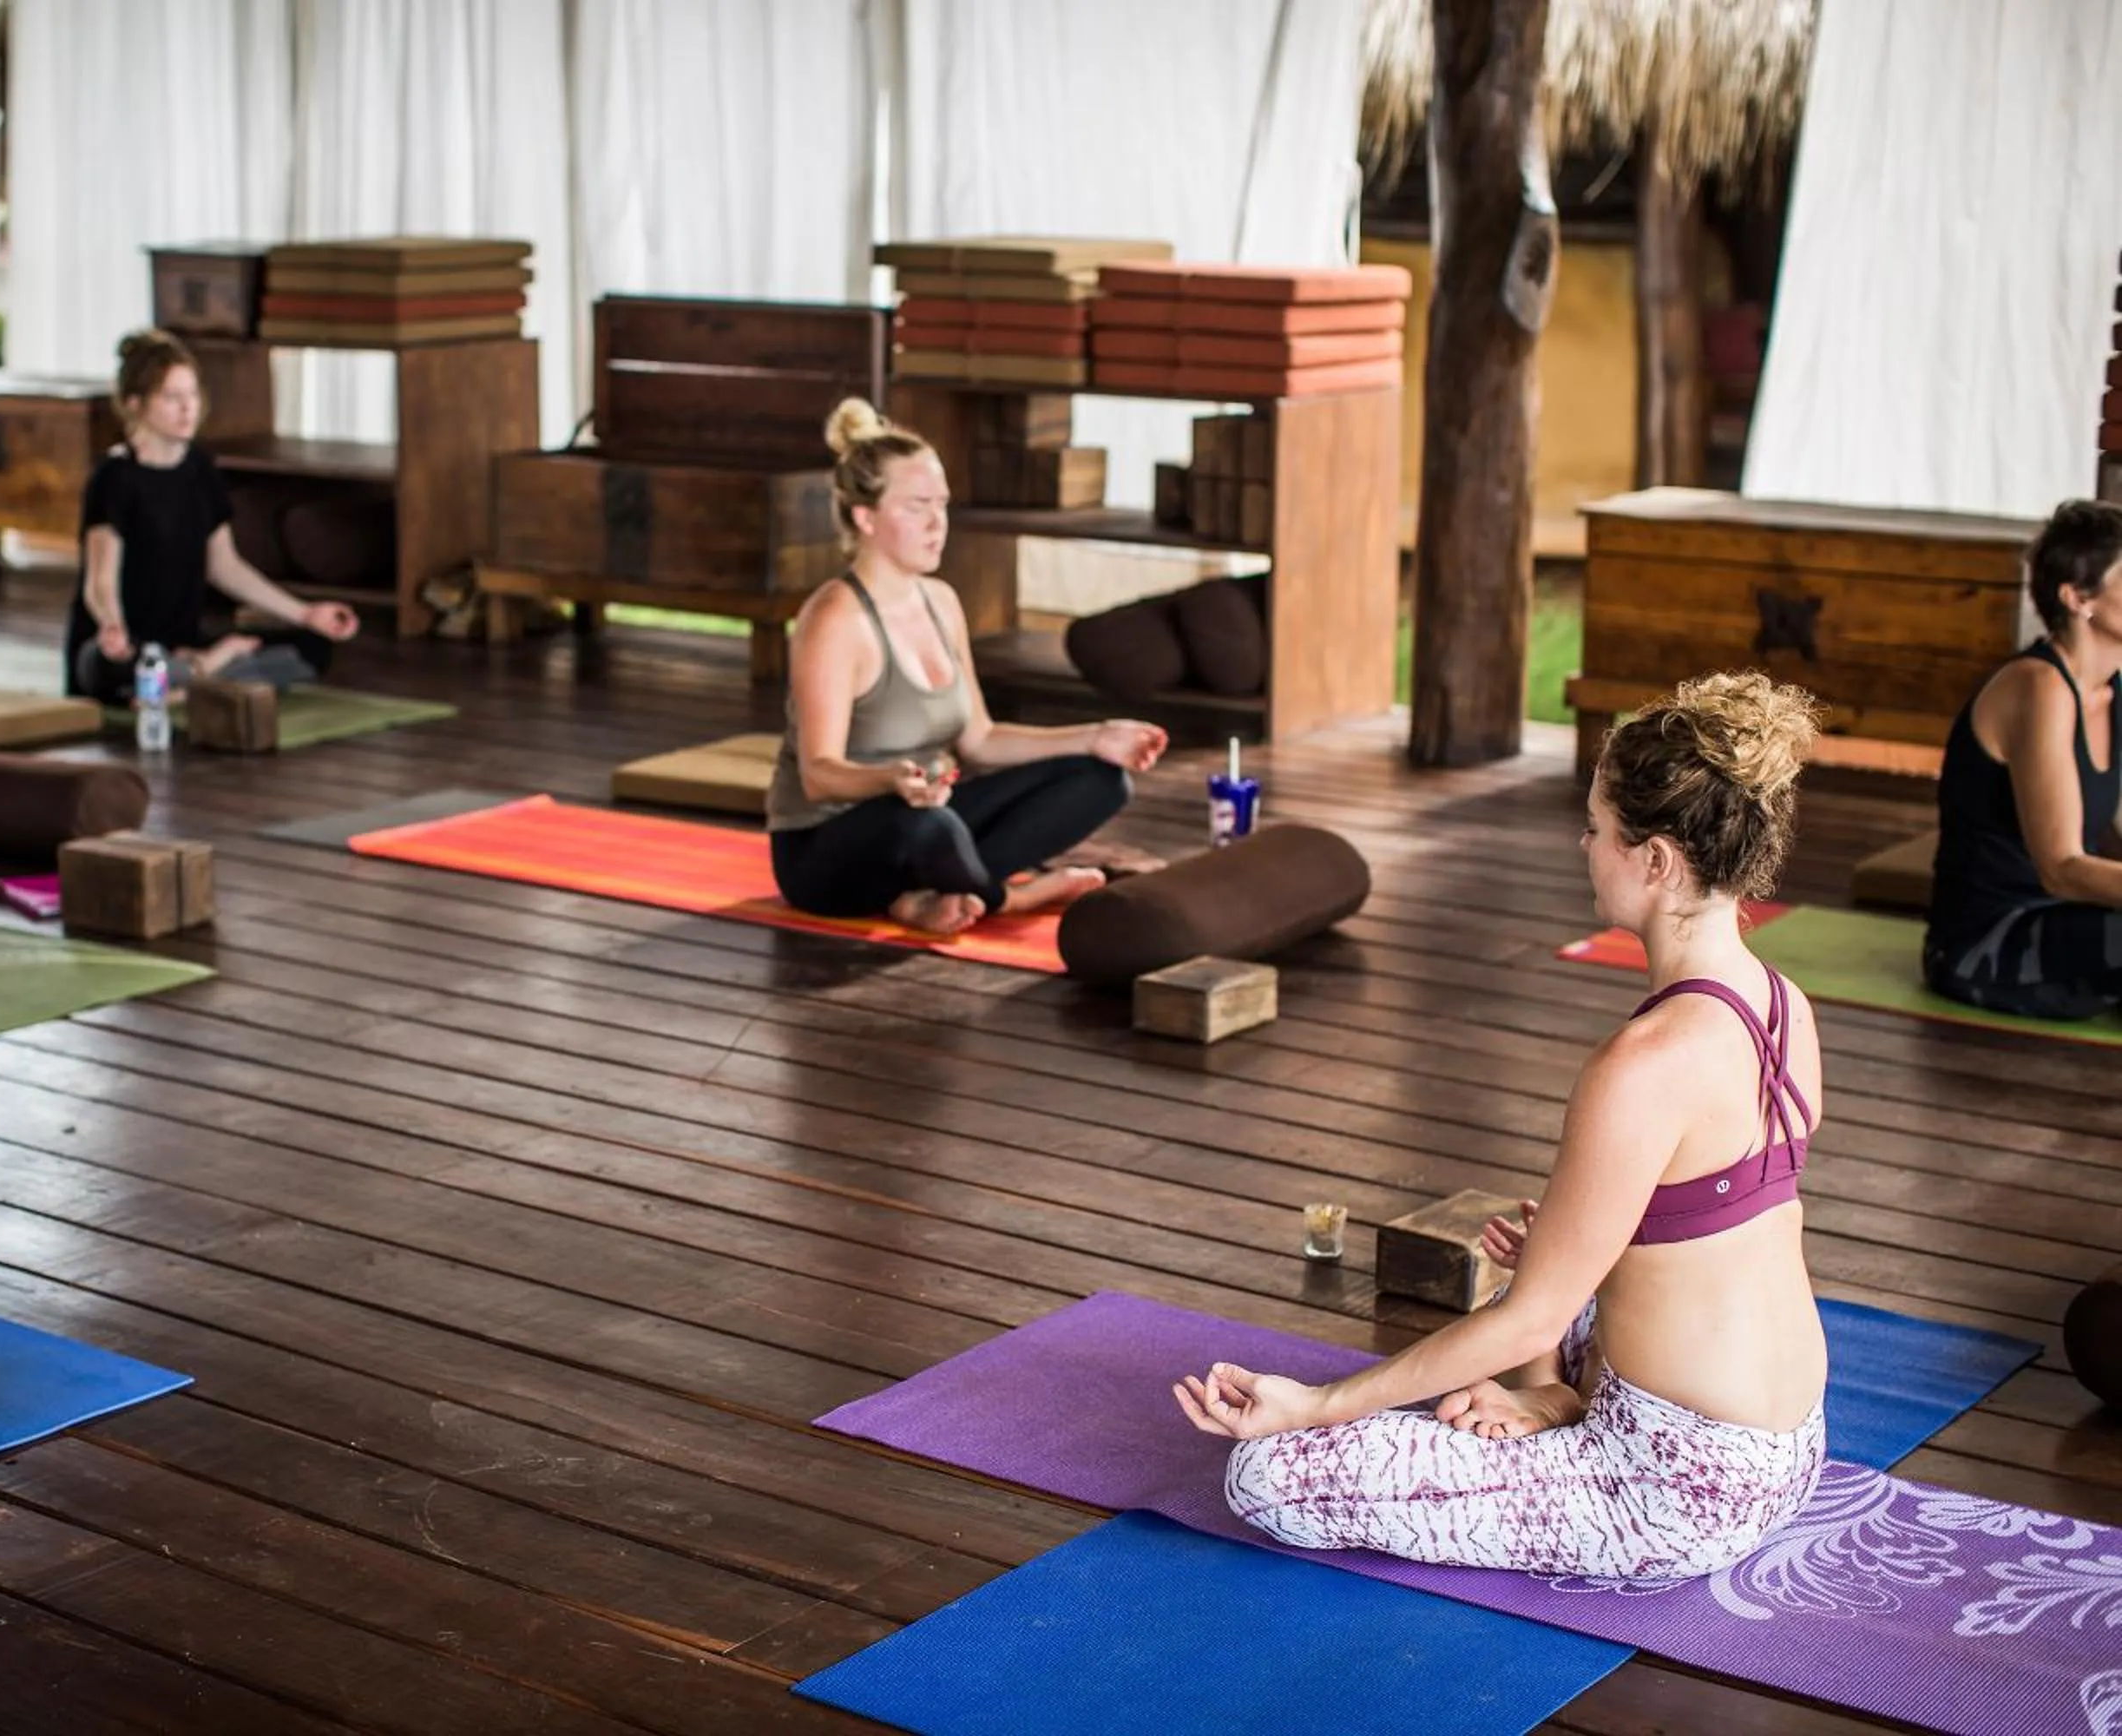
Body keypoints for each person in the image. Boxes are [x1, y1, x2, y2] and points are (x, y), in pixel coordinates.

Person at [1175, 672, 1830, 1582]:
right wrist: (1566, 1280)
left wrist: (1315, 1403)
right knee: (1539, 1281)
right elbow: (1710, 1238)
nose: (1584, 844)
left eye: (1598, 829)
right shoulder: (1783, 1005)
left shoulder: (1640, 1064)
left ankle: (1558, 1407)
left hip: (1675, 1490)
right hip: (1785, 1446)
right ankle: (1556, 1397)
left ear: (1656, 860)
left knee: (1269, 1473)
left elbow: (1533, 1314)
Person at [767, 399, 1166, 935]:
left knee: (1101, 780)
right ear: (866, 518)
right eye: (916, 507)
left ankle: (927, 894)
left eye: (942, 504)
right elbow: (818, 776)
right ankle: (1005, 899)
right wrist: (891, 780)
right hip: (825, 852)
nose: (937, 524)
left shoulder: (942, 601)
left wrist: (1094, 737)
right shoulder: (835, 618)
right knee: (929, 826)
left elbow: (978, 739)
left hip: (930, 813)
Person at [66, 328, 361, 704]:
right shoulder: (115, 477)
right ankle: (210, 673)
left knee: (312, 647)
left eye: (192, 394)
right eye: (172, 397)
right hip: (129, 646)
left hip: (182, 642)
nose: (188, 408)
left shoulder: (200, 470)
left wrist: (306, 614)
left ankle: (187, 679)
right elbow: (100, 580)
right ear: (135, 404)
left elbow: (225, 567)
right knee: (103, 668)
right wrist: (112, 625)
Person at [1924, 500, 2122, 1019]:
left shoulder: (2112, 691)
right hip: (1985, 944)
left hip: (2064, 923)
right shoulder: (2040, 687)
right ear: (2078, 597)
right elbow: (2061, 869)